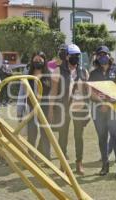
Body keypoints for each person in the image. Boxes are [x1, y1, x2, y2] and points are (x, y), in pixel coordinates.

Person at [48, 44, 90, 175]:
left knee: (79, 136)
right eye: (73, 56)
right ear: (67, 57)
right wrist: (50, 109)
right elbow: (54, 92)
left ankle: (79, 163)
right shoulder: (58, 71)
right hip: (64, 108)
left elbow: (87, 92)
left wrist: (87, 109)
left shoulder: (83, 72)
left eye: (77, 56)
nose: (75, 58)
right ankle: (63, 163)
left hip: (79, 108)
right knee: (63, 136)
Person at [89, 45, 116, 180]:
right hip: (98, 110)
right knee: (102, 138)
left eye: (104, 54)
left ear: (109, 56)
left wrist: (108, 104)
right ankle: (105, 165)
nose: (102, 57)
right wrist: (101, 103)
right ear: (96, 57)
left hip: (114, 109)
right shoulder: (93, 73)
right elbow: (91, 93)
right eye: (99, 55)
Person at [17, 51, 51, 160]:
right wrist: (19, 110)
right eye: (35, 60)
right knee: (31, 135)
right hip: (31, 109)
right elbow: (22, 93)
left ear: (44, 61)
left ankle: (46, 158)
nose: (37, 62)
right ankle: (30, 158)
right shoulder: (27, 74)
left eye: (40, 60)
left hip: (44, 109)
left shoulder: (49, 74)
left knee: (46, 135)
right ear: (32, 61)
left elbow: (53, 94)